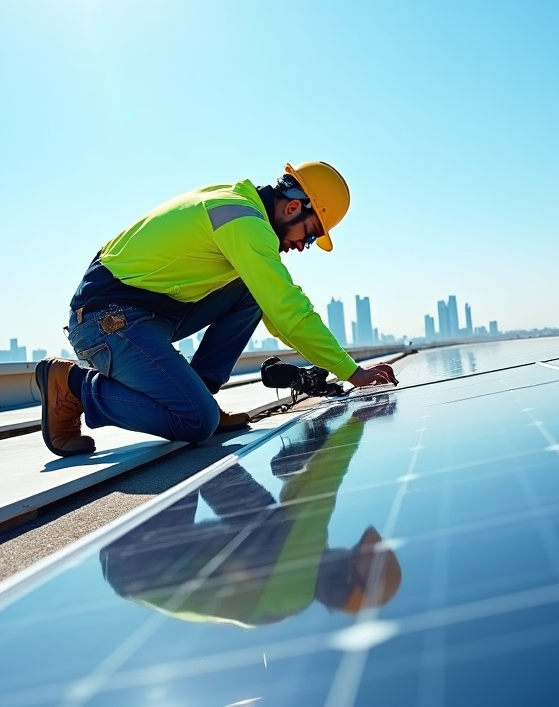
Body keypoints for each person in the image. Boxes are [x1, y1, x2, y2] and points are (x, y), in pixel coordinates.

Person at [35, 161, 395, 456]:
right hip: (105, 320)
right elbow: (289, 310)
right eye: (312, 233)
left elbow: (275, 309)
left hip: (151, 312)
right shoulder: (244, 221)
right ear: (292, 207)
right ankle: (74, 387)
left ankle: (201, 392)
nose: (305, 245)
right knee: (196, 422)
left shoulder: (238, 203)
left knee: (253, 291)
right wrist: (351, 372)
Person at [99, 398, 402, 626]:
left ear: (348, 578)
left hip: (136, 562)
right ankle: (195, 429)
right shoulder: (292, 589)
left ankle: (174, 410)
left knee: (269, 519)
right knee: (273, 523)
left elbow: (319, 494)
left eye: (352, 556)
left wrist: (356, 423)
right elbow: (301, 501)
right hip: (136, 567)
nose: (345, 550)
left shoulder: (296, 586)